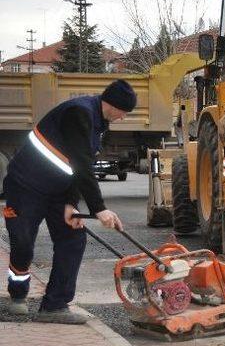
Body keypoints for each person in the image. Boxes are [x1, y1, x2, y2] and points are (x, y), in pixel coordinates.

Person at [3, 79, 136, 323]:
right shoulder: (79, 113)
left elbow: (80, 166)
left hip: (57, 193)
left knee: (73, 239)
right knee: (22, 244)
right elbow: (81, 164)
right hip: (25, 187)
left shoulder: (100, 125)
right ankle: (18, 296)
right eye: (124, 112)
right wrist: (99, 209)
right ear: (114, 104)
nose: (124, 117)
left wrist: (71, 204)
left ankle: (54, 306)